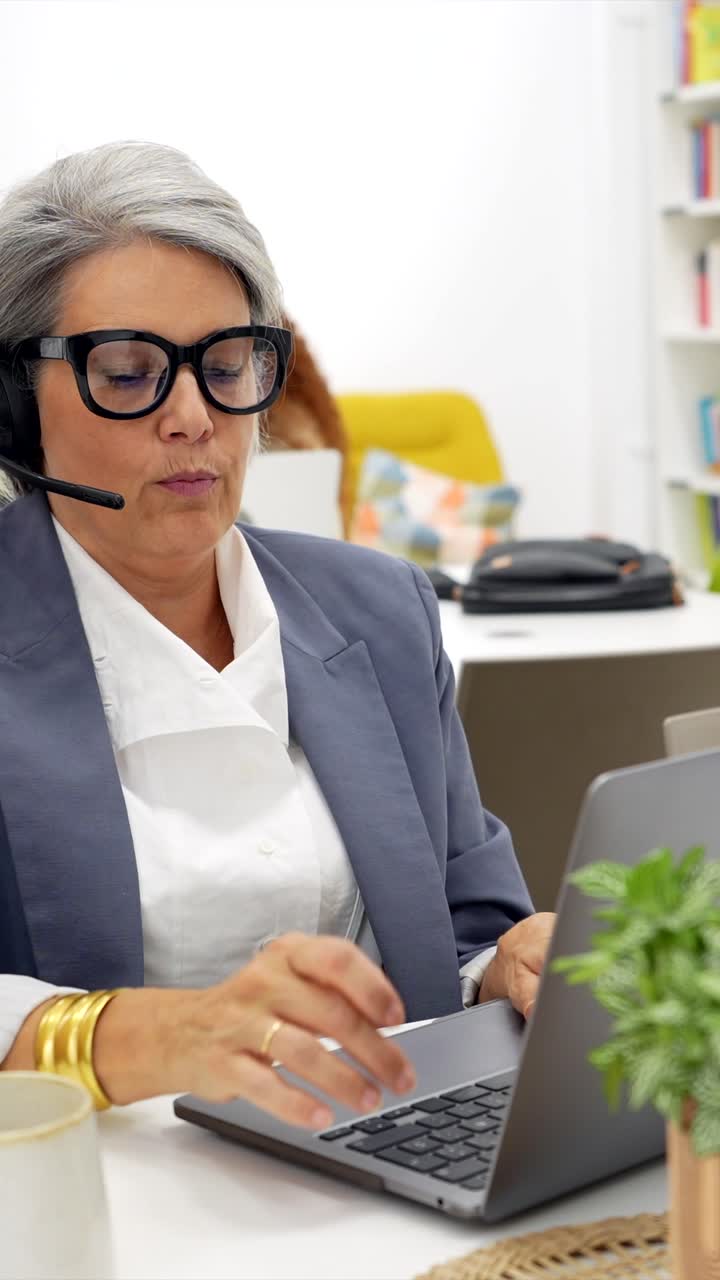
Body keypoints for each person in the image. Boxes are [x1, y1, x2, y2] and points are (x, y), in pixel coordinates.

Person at [0, 141, 554, 1129]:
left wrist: (511, 964)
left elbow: (470, 926)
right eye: (127, 375)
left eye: (225, 367)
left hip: (374, 1159)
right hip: (87, 1190)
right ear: (13, 411)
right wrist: (154, 1033)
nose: (193, 418)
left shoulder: (379, 606)